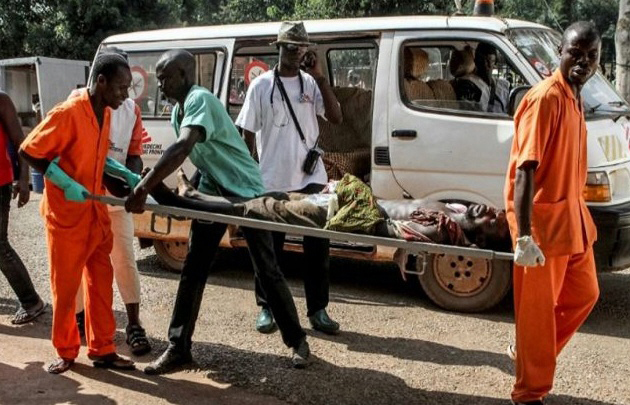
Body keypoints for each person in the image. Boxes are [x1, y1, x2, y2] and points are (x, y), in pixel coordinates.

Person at [124, 49, 312, 372]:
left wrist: (146, 186)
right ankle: (178, 346)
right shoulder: (177, 111)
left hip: (246, 190)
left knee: (267, 269)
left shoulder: (200, 99)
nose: (161, 85)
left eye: (166, 77)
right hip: (215, 186)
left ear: (184, 75)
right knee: (194, 266)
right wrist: (190, 194)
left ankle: (298, 341)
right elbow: (203, 157)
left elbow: (183, 147)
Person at [19, 53, 136, 374]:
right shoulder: (69, 112)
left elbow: (94, 155)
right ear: (100, 82)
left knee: (102, 281)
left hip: (95, 214)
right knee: (66, 288)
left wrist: (123, 174)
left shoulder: (106, 112)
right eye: (121, 88)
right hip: (67, 216)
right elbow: (28, 150)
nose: (125, 95)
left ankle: (103, 349)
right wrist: (62, 181)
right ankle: (67, 351)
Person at [503, 21, 601, 405]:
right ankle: (529, 393)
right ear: (560, 52)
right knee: (537, 314)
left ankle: (529, 353)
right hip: (541, 227)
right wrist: (524, 236)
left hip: (573, 220)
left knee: (585, 294)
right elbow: (525, 169)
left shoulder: (575, 97)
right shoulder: (546, 98)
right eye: (575, 53)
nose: (582, 61)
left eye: (590, 55)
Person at [235, 21, 343, 335]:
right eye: (290, 47)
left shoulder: (311, 84)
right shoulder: (261, 86)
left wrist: (321, 78)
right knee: (270, 249)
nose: (296, 53)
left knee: (318, 248)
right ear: (278, 47)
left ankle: (318, 309)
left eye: (301, 48)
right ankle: (267, 308)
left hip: (310, 178)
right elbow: (248, 134)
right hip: (271, 179)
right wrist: (248, 176)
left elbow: (335, 117)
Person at [72, 47, 150, 356]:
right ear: (101, 78)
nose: (123, 90)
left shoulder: (130, 108)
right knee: (79, 263)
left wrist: (129, 184)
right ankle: (79, 320)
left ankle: (133, 324)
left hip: (114, 200)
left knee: (124, 260)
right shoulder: (77, 102)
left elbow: (133, 154)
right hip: (82, 197)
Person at [0, 91, 46, 325]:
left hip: (0, 182)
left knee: (0, 246)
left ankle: (31, 302)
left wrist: (24, 178)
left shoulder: (1, 99)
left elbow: (21, 142)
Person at [474, 42, 510, 113]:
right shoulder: (469, 85)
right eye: (482, 60)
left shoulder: (505, 86)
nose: (486, 65)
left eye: (490, 60)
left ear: (495, 63)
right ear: (476, 62)